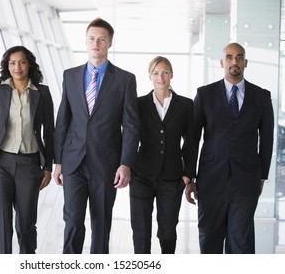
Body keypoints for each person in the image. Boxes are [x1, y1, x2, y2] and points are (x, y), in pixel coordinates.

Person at [53, 17, 140, 254]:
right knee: (72, 222)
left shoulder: (125, 79)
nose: (96, 43)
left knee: (101, 225)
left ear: (110, 43)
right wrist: (58, 161)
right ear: (85, 41)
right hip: (73, 163)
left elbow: (131, 126)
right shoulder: (70, 76)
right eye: (92, 38)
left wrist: (126, 164)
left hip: (106, 164)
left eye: (102, 39)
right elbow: (63, 121)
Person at [186, 42, 274, 253]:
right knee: (209, 239)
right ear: (222, 62)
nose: (234, 61)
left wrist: (262, 176)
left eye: (239, 57)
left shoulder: (261, 96)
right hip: (210, 179)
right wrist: (189, 177)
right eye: (229, 57)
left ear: (245, 62)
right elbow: (192, 138)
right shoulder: (205, 94)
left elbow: (267, 139)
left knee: (241, 242)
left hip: (246, 180)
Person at [0, 45, 54, 254]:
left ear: (29, 64)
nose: (17, 67)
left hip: (30, 164)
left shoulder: (42, 92)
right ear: (7, 66)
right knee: (2, 224)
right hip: (0, 164)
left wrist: (47, 166)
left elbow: (50, 132)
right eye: (12, 63)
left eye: (22, 62)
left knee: (26, 225)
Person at [129, 56, 196, 254]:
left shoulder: (185, 105)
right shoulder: (138, 104)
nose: (161, 77)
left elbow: (191, 142)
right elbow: (130, 137)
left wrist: (187, 174)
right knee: (141, 231)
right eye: (156, 73)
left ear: (172, 75)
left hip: (172, 177)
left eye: (165, 72)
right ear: (150, 76)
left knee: (167, 232)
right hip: (141, 175)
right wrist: (128, 166)